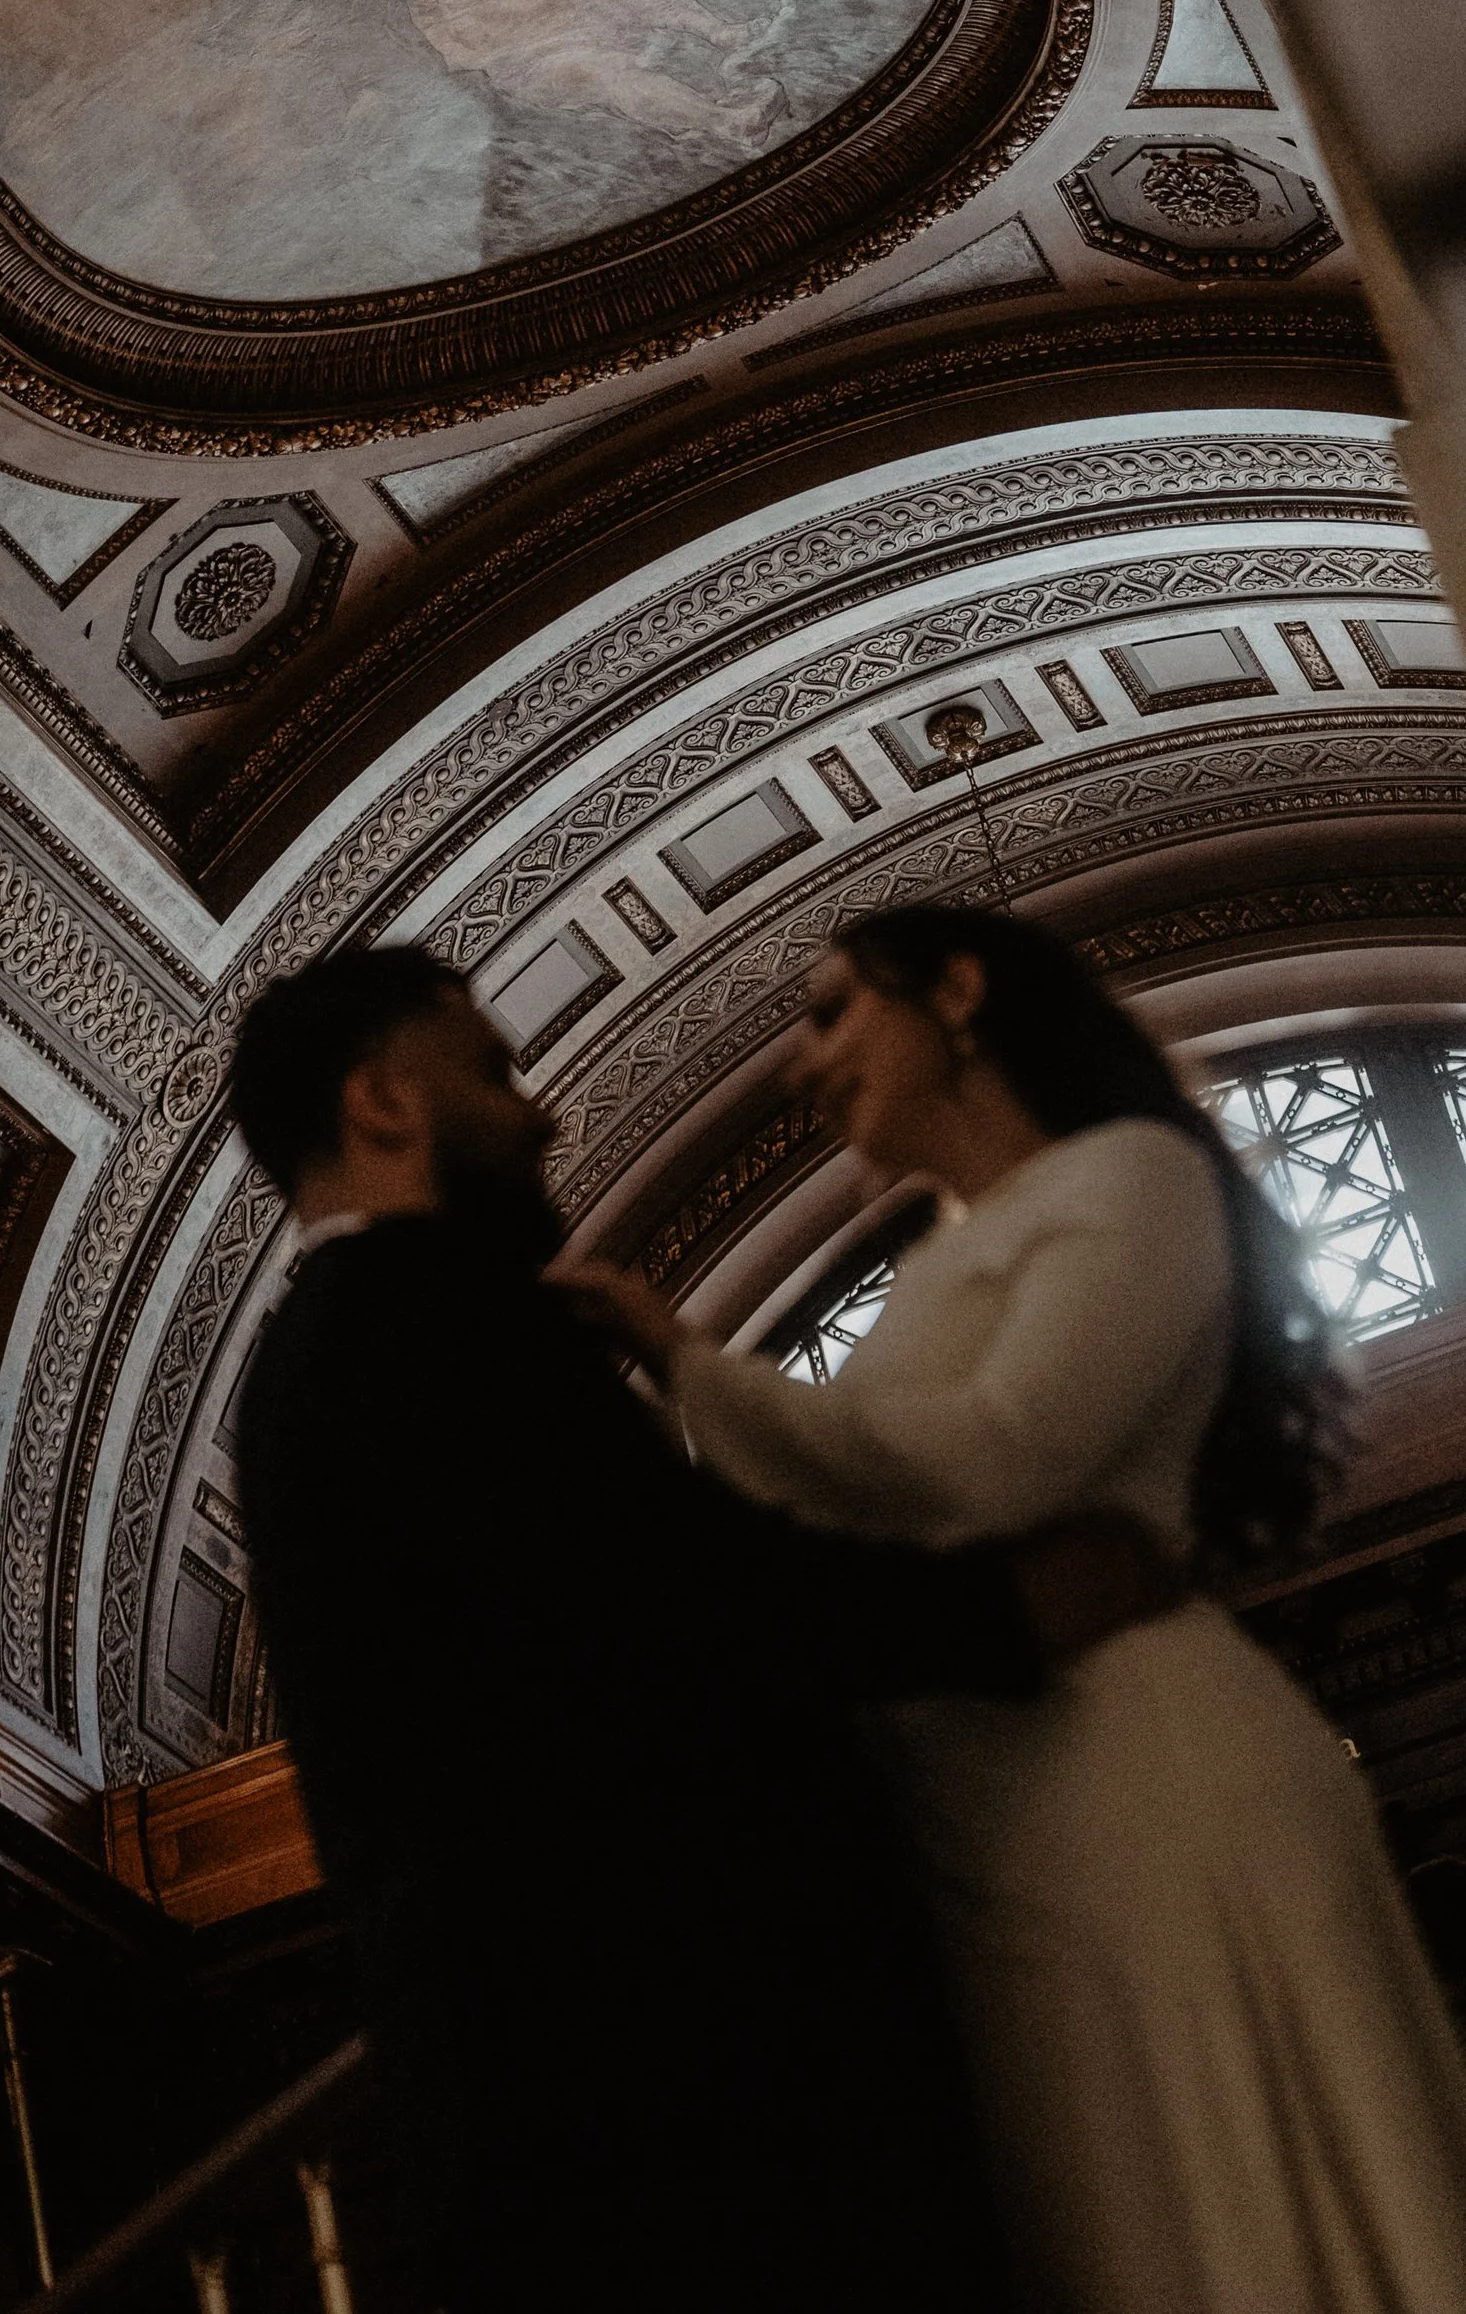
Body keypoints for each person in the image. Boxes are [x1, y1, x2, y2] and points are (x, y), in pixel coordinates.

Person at [558, 907, 1466, 2314]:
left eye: (834, 1010)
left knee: (1233, 2201)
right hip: (1000, 1803)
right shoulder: (936, 1263)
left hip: (1143, 1773)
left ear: (959, 990)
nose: (802, 1066)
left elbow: (1008, 1453)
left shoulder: (1138, 1175)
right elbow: (836, 1519)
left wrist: (683, 1354)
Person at [228, 946, 1149, 2314]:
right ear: (383, 1100)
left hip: (619, 2095)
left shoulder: (356, 1340)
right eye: (492, 1069)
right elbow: (690, 1592)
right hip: (669, 2107)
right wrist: (1012, 1607)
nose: (540, 1111)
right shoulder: (413, 1321)